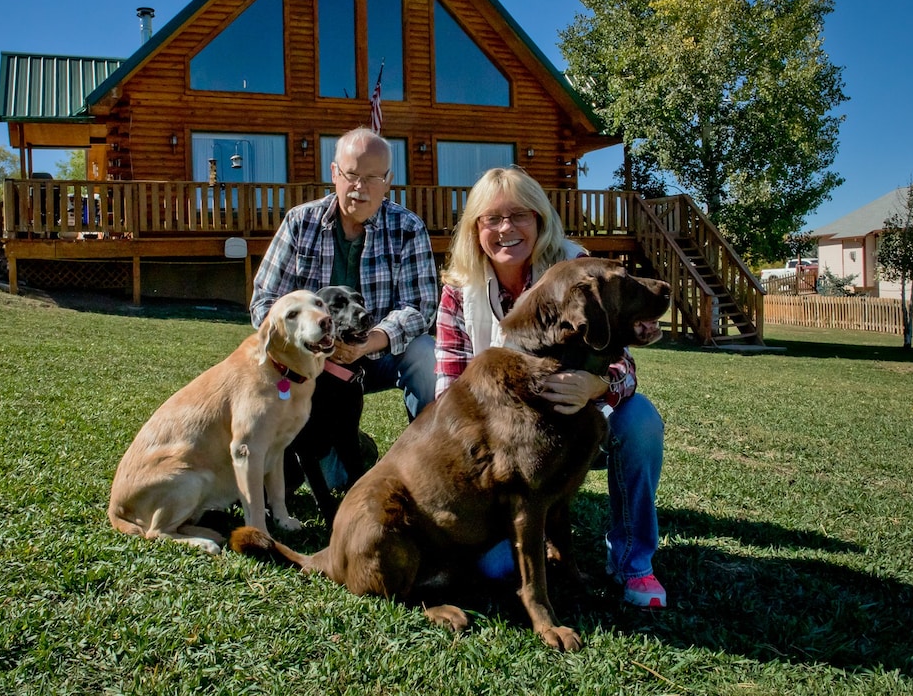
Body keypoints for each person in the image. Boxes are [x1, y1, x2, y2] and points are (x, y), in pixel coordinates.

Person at [433, 166, 668, 608]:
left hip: (579, 423)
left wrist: (595, 385)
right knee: (496, 569)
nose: (506, 228)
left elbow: (627, 370)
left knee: (640, 422)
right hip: (510, 445)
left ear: (540, 219)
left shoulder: (577, 271)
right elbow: (448, 392)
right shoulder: (459, 289)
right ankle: (531, 532)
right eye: (491, 219)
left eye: (519, 214)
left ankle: (634, 563)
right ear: (475, 229)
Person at [251, 126, 438, 428]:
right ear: (334, 173)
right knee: (333, 470)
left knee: (426, 355)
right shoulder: (299, 223)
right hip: (310, 354)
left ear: (388, 181)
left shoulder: (408, 227)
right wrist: (313, 342)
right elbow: (265, 302)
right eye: (351, 175)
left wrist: (369, 342)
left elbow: (420, 308)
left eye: (372, 178)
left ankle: (428, 448)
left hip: (379, 349)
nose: (359, 187)